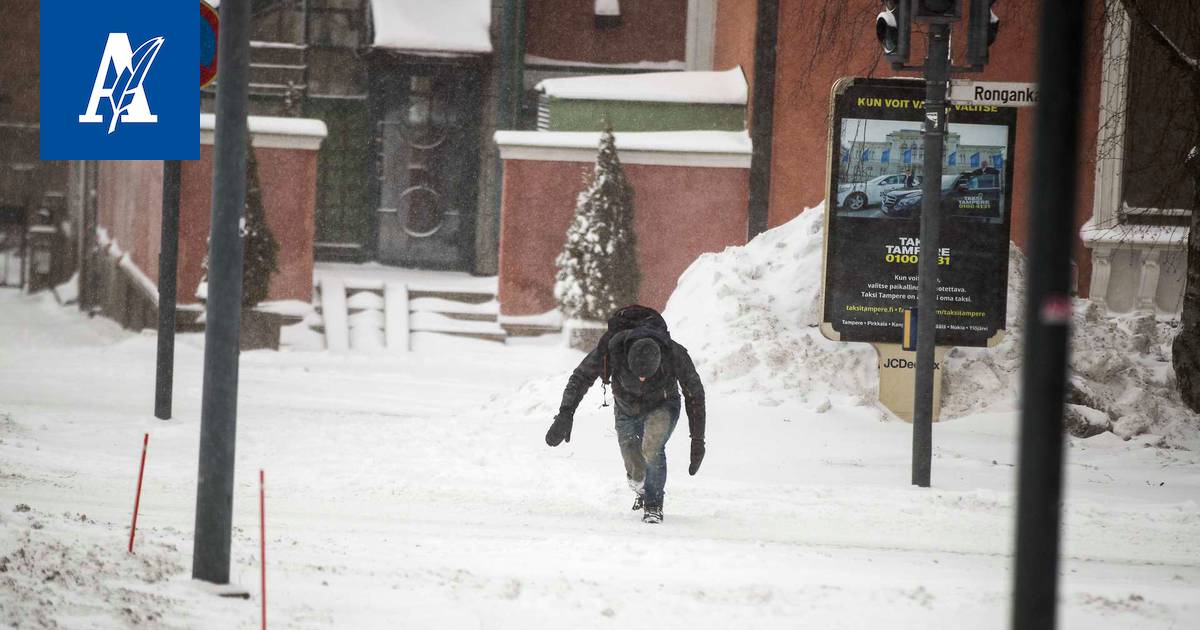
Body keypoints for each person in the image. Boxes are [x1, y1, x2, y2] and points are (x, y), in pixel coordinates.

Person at [544, 305, 706, 524]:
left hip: (663, 405)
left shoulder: (674, 353)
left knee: (652, 448)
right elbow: (580, 377)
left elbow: (695, 394)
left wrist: (697, 440)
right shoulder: (611, 349)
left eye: (646, 376)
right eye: (637, 375)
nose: (642, 380)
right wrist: (566, 413)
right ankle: (640, 487)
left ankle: (654, 505)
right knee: (635, 464)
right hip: (625, 407)